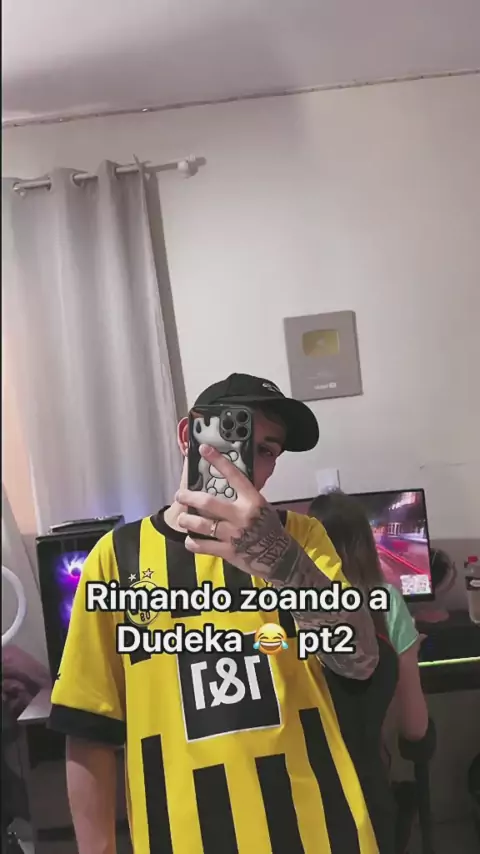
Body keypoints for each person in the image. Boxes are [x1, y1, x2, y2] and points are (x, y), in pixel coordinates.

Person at [49, 373, 386, 854]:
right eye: (236, 436)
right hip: (180, 835)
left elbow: (359, 660)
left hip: (318, 830)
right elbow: (88, 725)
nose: (250, 462)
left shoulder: (303, 538)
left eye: (267, 450)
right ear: (189, 435)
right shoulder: (116, 558)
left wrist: (282, 562)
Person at [309, 490, 429, 750]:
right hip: (368, 763)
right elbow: (415, 728)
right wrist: (410, 650)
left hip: (308, 764)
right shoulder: (387, 602)